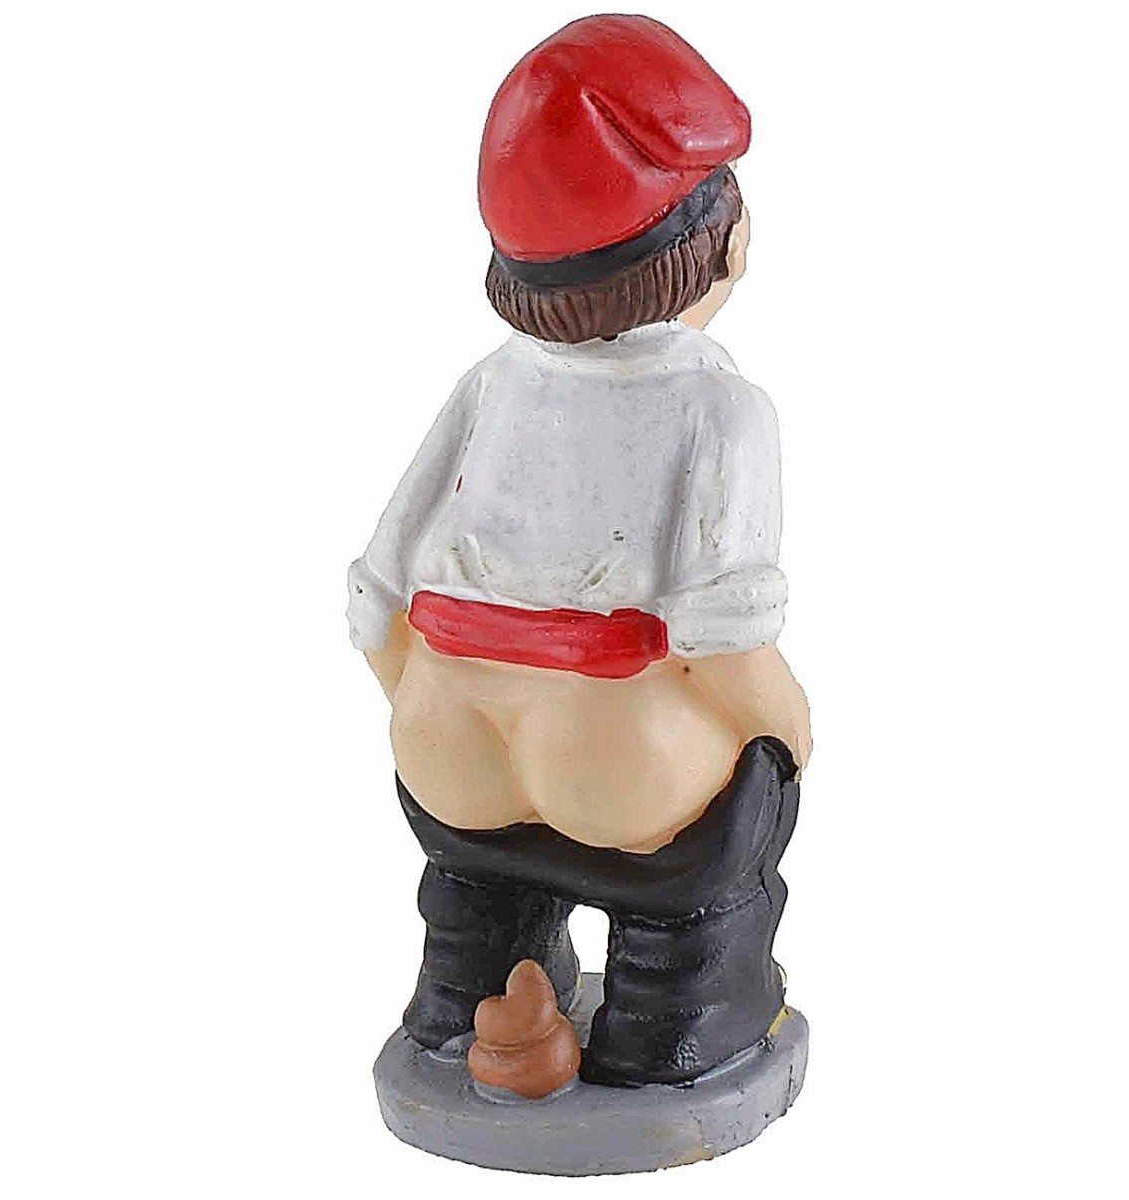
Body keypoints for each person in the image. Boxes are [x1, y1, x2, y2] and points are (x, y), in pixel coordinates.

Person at [348, 14, 811, 1086]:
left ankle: (463, 993)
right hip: (620, 764)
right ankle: (672, 1024)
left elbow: (375, 598)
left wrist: (429, 699)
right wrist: (788, 733)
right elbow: (724, 634)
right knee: (750, 798)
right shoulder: (722, 410)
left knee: (474, 878)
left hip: (448, 747)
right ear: (718, 244)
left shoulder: (488, 386)